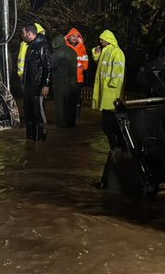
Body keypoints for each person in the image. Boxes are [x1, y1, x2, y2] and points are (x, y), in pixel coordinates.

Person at [91, 28, 126, 186]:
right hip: (105, 93)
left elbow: (118, 73)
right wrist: (96, 52)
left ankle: (117, 146)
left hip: (111, 94)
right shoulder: (106, 51)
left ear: (108, 39)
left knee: (110, 123)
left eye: (102, 40)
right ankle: (115, 146)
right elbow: (97, 62)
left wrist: (113, 86)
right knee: (106, 123)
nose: (100, 42)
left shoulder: (117, 52)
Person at [20, 23, 52, 140]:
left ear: (29, 33)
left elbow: (48, 67)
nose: (21, 36)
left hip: (38, 86)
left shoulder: (42, 47)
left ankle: (41, 136)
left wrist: (46, 85)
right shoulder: (30, 47)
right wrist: (24, 83)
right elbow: (27, 67)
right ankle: (31, 136)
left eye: (23, 33)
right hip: (29, 86)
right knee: (28, 112)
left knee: (38, 112)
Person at [51, 27, 89, 127]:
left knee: (63, 102)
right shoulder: (71, 50)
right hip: (73, 80)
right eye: (73, 36)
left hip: (65, 80)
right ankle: (71, 122)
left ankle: (62, 122)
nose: (75, 38)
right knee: (71, 102)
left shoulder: (59, 52)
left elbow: (52, 65)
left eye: (77, 36)